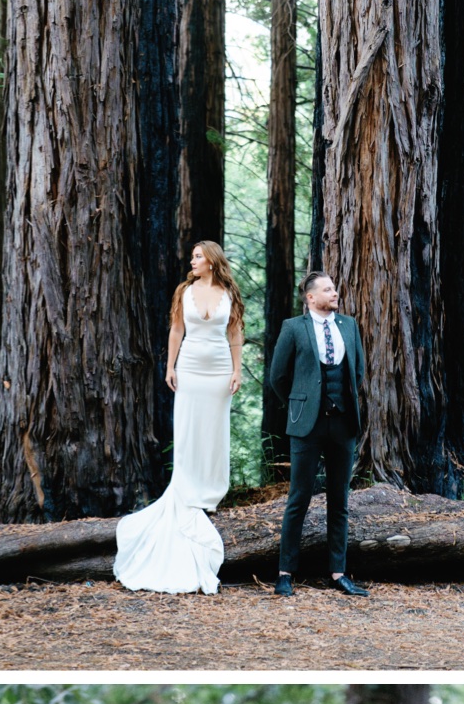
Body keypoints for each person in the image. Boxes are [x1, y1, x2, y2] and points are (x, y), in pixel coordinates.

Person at [114, 243, 245, 595]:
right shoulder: (184, 291)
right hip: (189, 367)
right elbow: (176, 331)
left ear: (213, 261)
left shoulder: (229, 292)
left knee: (214, 430)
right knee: (187, 428)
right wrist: (170, 366)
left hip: (219, 370)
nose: (192, 261)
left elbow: (235, 334)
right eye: (192, 256)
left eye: (198, 256)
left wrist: (237, 371)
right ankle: (187, 486)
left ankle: (210, 489)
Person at [266, 270, 369, 598]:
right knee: (299, 498)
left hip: (343, 425)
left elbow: (359, 370)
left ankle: (338, 573)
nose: (334, 293)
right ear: (311, 297)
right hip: (306, 425)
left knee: (340, 501)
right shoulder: (293, 328)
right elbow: (278, 376)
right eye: (327, 289)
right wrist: (299, 404)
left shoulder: (348, 326)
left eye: (334, 288)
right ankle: (285, 573)